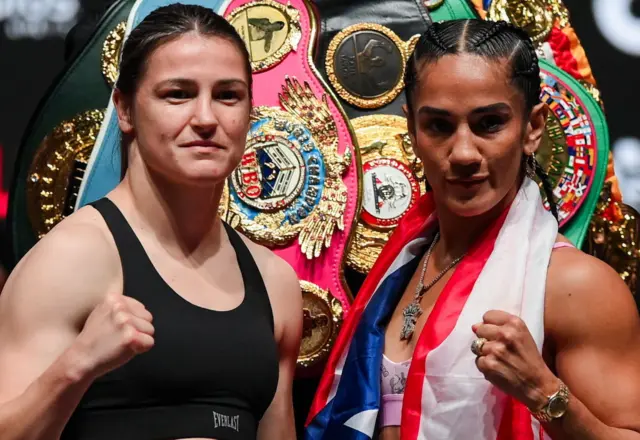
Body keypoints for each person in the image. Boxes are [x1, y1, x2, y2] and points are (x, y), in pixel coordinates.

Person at [305, 19, 640, 440]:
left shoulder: (574, 285)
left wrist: (544, 393)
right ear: (411, 129)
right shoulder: (399, 268)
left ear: (532, 127)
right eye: (440, 126)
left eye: (489, 123)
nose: (463, 152)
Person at [0, 4, 302, 440]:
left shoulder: (275, 283)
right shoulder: (72, 261)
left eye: (227, 95)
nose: (205, 118)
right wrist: (76, 366)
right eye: (177, 94)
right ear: (124, 110)